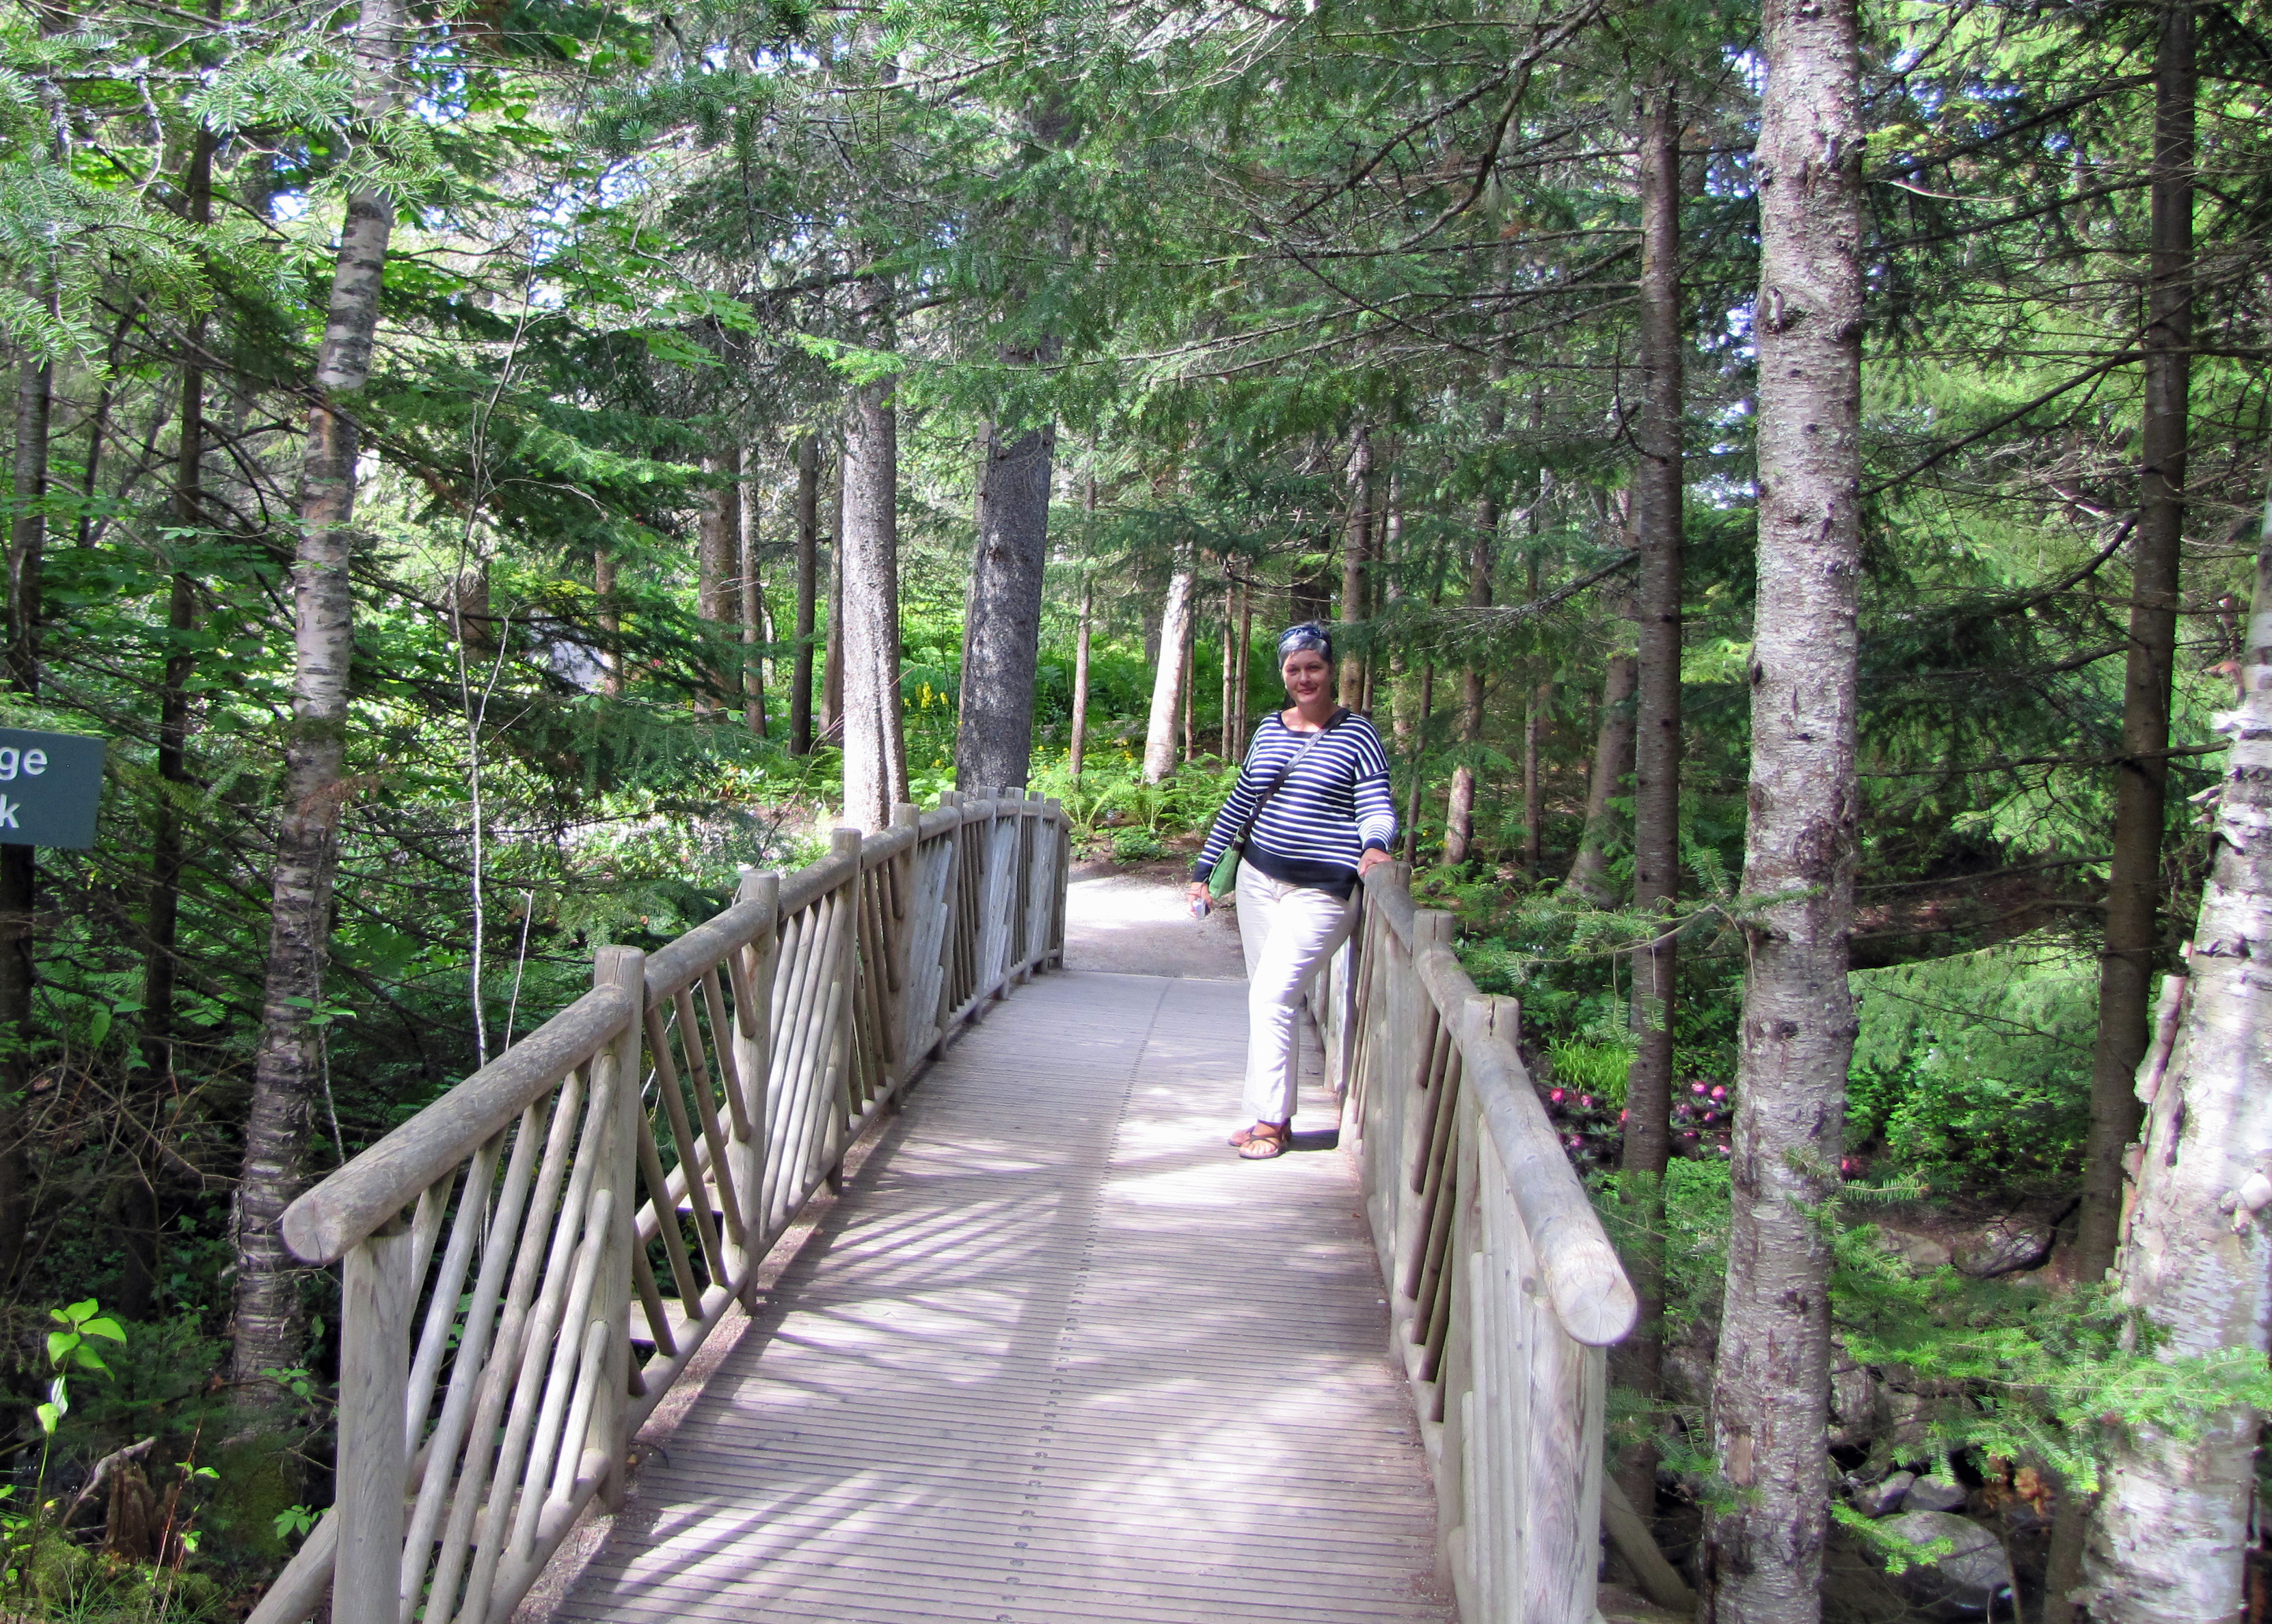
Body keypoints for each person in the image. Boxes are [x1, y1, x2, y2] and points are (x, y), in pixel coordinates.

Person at [1186, 622, 1396, 1160]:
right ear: (1283, 674)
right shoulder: (1268, 730)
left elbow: (1376, 802)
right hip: (1258, 878)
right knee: (1265, 996)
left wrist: (1376, 845)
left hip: (1323, 889)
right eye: (1294, 668)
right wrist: (1204, 871)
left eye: (1314, 667)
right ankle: (1268, 1115)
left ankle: (1271, 1121)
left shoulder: (1358, 734)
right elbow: (1240, 803)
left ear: (1330, 671)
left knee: (1273, 995)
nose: (1304, 677)